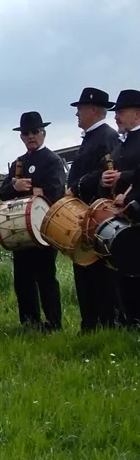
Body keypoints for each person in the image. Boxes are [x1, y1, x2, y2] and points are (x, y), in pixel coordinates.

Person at [0, 111, 66, 331]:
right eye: (26, 133)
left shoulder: (52, 160)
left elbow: (56, 190)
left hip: (44, 226)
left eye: (35, 132)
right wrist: (14, 187)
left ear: (43, 133)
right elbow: (4, 192)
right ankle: (29, 321)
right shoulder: (18, 162)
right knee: (22, 278)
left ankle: (54, 322)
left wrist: (34, 190)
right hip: (19, 229)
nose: (30, 136)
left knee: (46, 277)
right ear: (21, 137)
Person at [66, 87, 121, 332]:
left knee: (99, 273)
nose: (77, 114)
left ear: (93, 110)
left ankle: (106, 322)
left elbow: (105, 172)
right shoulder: (91, 137)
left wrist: (76, 186)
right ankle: (89, 322)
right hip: (84, 213)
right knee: (84, 269)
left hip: (97, 215)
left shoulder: (106, 136)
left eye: (80, 109)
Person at [101, 89, 140, 328]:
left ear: (137, 114)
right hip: (123, 216)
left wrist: (124, 181)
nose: (116, 117)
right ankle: (129, 319)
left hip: (136, 209)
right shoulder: (119, 146)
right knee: (127, 271)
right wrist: (104, 180)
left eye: (121, 112)